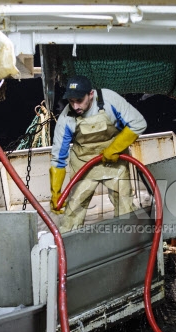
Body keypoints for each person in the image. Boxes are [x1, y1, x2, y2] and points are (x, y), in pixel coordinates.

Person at [49, 75, 147, 231]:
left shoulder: (109, 100)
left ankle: (128, 247)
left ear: (91, 94)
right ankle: (66, 249)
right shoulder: (66, 118)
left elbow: (138, 123)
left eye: (79, 100)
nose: (75, 107)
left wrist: (114, 149)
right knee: (72, 213)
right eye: (71, 101)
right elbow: (58, 158)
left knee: (125, 209)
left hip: (115, 161)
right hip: (83, 164)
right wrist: (56, 192)